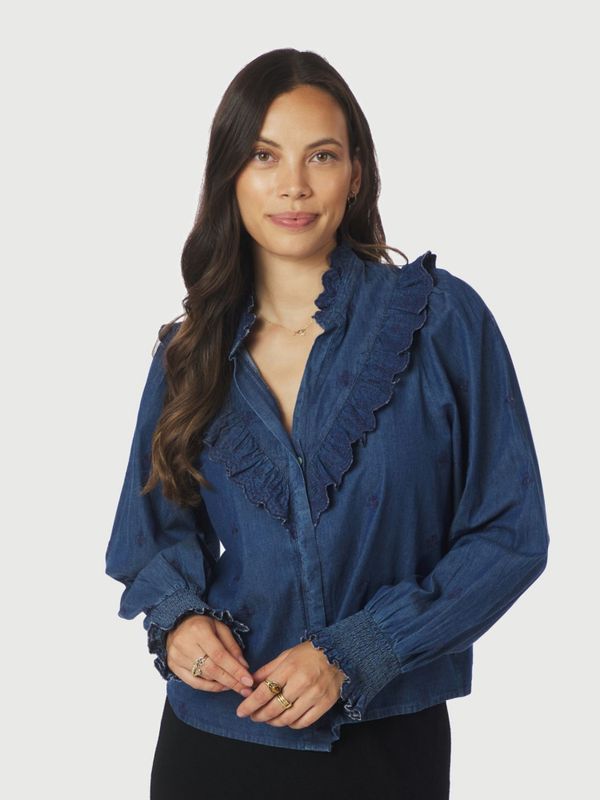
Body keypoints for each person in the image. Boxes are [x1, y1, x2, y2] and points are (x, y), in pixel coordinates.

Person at [105, 48, 550, 800]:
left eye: (321, 155)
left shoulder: (441, 322)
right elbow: (150, 536)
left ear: (357, 174)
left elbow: (510, 535)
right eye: (264, 156)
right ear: (230, 176)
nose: (294, 185)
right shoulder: (189, 353)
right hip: (213, 740)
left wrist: (356, 652)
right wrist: (180, 623)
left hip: (387, 745)